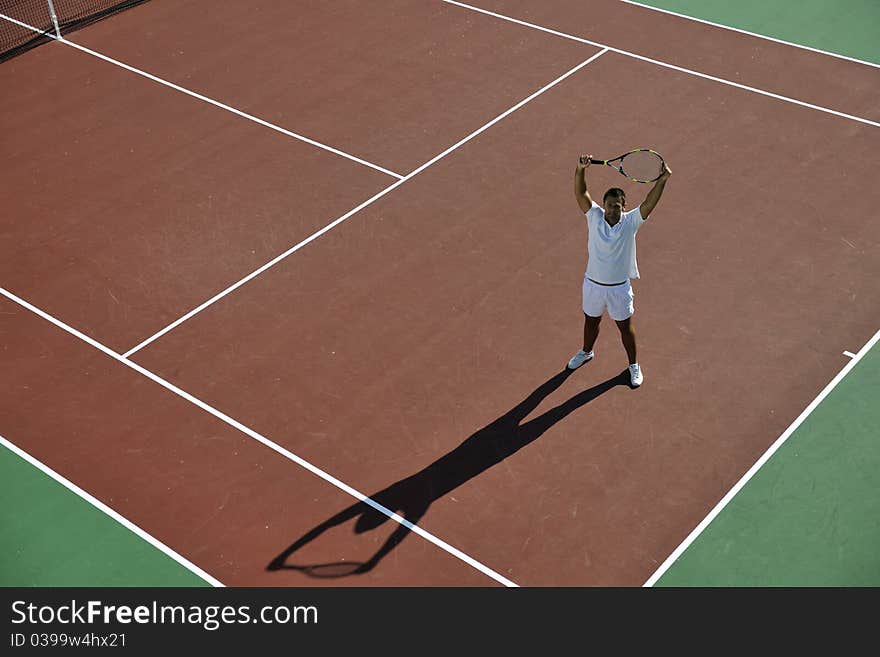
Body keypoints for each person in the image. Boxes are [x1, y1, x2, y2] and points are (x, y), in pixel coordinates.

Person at [567, 154, 671, 387]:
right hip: (593, 284)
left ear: (624, 206)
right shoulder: (593, 217)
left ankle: (634, 365)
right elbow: (581, 193)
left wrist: (662, 180)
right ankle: (586, 352)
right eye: (609, 205)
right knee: (590, 322)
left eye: (617, 205)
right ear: (603, 206)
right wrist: (580, 169)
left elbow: (648, 204)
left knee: (625, 327)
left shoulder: (631, 222)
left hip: (619, 289)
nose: (613, 209)